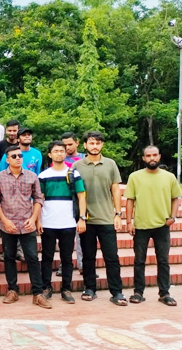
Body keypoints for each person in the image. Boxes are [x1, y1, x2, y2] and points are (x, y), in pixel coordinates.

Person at [72, 131, 127, 306]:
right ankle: (90, 288)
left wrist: (118, 214)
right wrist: (79, 218)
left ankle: (117, 292)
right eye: (91, 143)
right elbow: (75, 194)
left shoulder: (110, 164)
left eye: (98, 143)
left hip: (106, 219)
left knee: (112, 257)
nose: (94, 146)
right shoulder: (77, 166)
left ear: (102, 145)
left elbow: (116, 190)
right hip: (86, 220)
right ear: (85, 145)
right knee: (88, 257)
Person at [0, 146, 50, 309]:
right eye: (14, 156)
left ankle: (37, 293)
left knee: (32, 257)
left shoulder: (32, 176)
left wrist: (33, 219)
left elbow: (38, 198)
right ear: (7, 159)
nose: (18, 158)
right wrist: (4, 220)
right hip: (7, 225)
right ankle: (12, 290)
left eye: (20, 155)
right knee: (9, 257)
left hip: (27, 224)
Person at [125, 145, 181, 307]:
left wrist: (173, 216)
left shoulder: (169, 177)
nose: (152, 158)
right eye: (148, 156)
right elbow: (130, 200)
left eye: (154, 155)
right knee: (139, 260)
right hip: (141, 225)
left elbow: (175, 198)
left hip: (162, 225)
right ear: (143, 158)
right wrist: (129, 222)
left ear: (159, 156)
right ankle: (138, 292)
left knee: (163, 261)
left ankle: (164, 293)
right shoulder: (135, 177)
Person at [38, 141, 87, 304]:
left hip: (68, 222)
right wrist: (38, 219)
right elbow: (39, 199)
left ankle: (66, 288)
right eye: (56, 151)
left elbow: (82, 196)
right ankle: (46, 288)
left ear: (66, 153)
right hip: (48, 222)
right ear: (50, 155)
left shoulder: (74, 174)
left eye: (62, 151)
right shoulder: (43, 176)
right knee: (47, 257)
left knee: (67, 258)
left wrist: (82, 218)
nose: (59, 153)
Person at [57, 131, 85, 277]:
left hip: (81, 199)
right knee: (65, 237)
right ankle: (63, 265)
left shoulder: (84, 159)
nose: (67, 148)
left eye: (70, 144)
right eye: (64, 145)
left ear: (77, 143)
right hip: (65, 202)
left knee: (82, 237)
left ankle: (83, 265)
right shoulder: (59, 159)